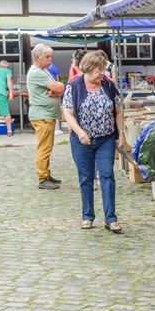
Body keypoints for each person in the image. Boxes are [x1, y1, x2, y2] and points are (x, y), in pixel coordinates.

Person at [62, 50, 125, 232]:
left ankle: (111, 219)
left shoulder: (108, 85)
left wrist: (120, 133)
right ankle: (88, 216)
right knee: (86, 178)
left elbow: (118, 110)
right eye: (99, 70)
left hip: (105, 139)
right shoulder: (74, 86)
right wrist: (80, 132)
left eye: (103, 70)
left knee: (107, 176)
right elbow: (68, 113)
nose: (102, 74)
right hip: (82, 141)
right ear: (88, 69)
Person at [26, 44, 65, 190]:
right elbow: (60, 87)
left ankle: (46, 174)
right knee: (44, 148)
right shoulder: (37, 72)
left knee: (47, 146)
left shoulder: (43, 71)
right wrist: (57, 89)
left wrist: (56, 89)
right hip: (42, 115)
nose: (50, 60)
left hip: (45, 115)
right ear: (37, 57)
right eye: (47, 57)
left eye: (51, 57)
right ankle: (43, 178)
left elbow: (58, 88)